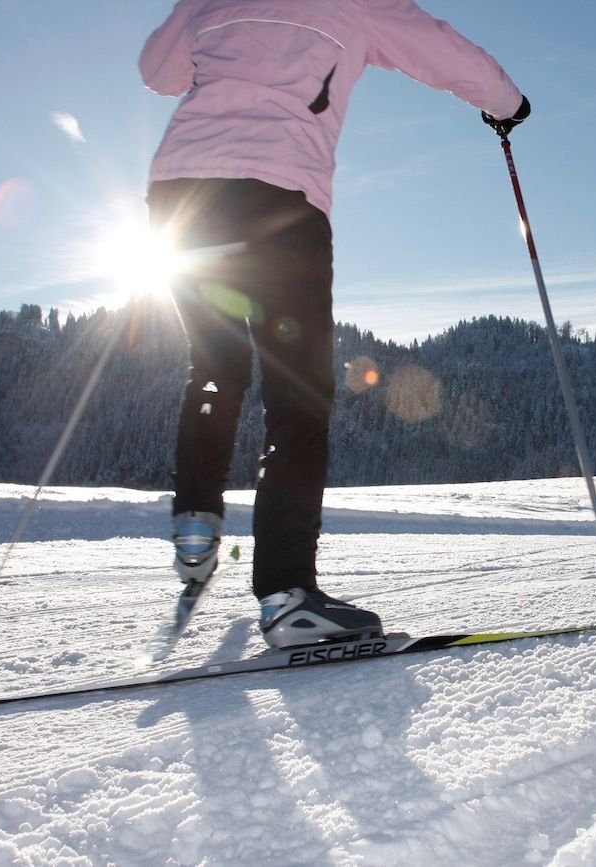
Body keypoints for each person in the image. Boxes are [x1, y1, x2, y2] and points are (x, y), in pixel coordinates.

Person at [140, 0, 530, 649]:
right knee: (297, 394)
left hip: (182, 194)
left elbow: (158, 72)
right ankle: (287, 592)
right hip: (278, 200)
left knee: (215, 366)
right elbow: (439, 49)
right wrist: (506, 102)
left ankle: (195, 525)